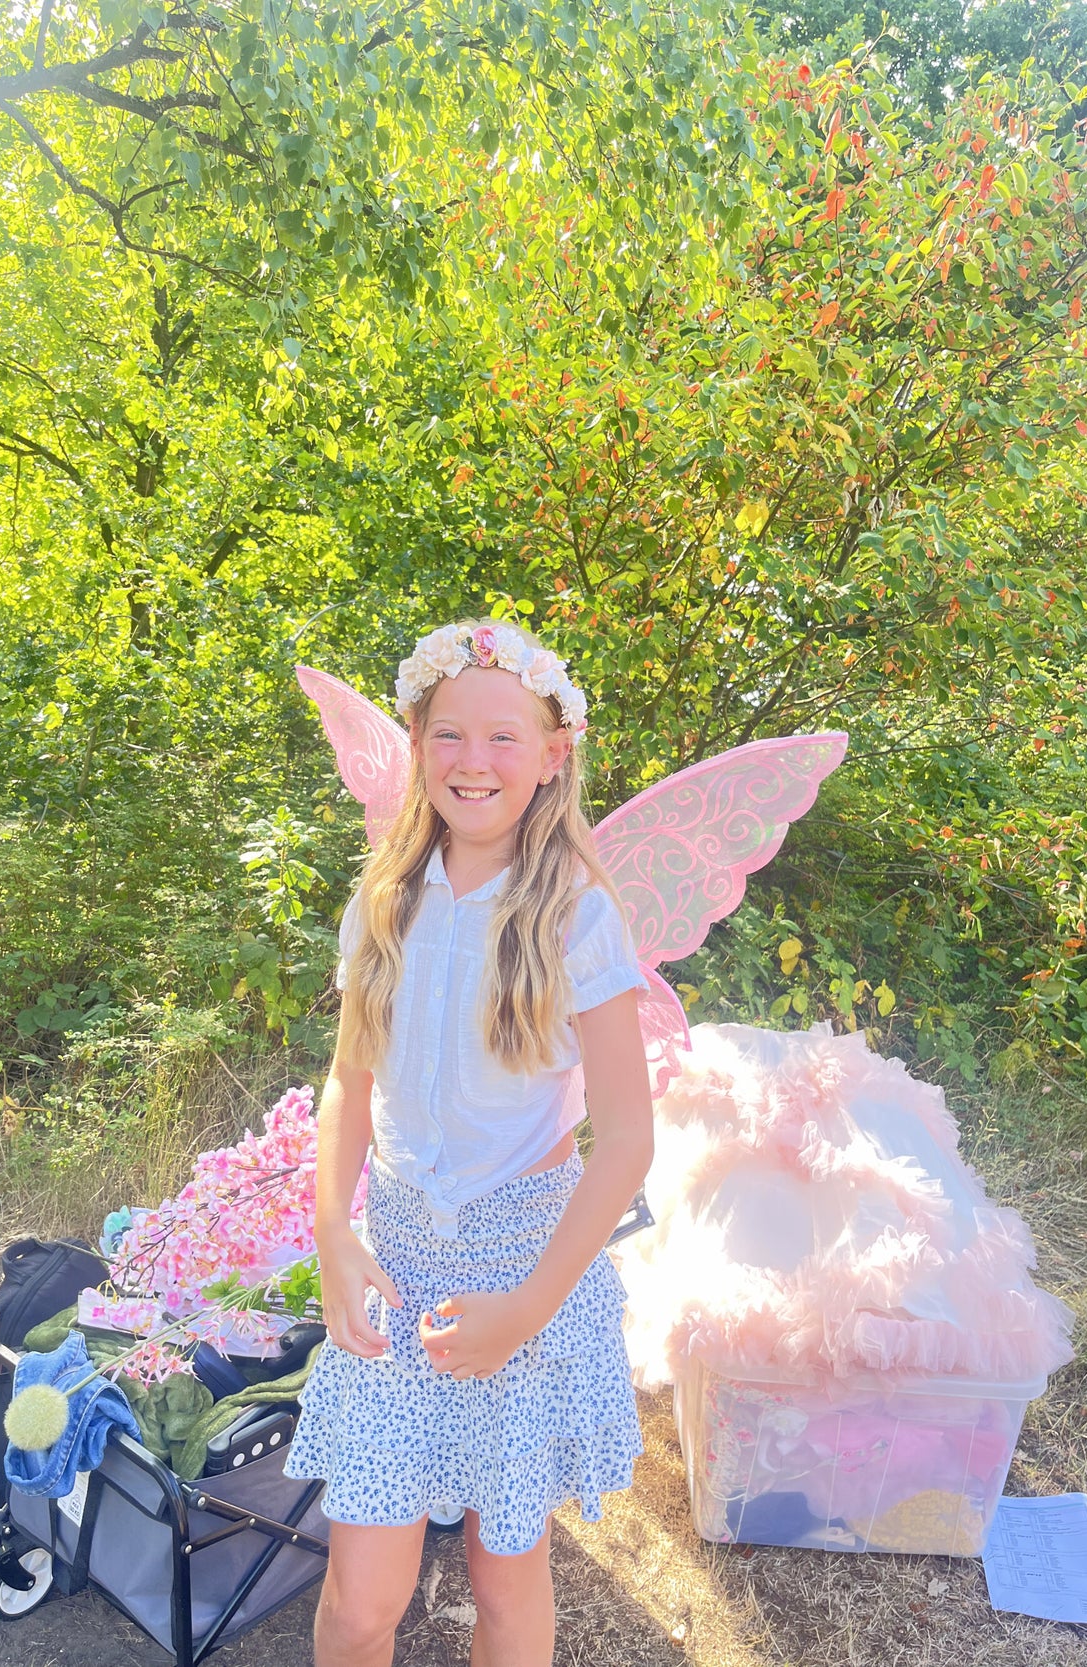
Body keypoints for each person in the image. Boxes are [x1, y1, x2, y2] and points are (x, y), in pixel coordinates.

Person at [283, 618, 654, 1667]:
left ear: (553, 754)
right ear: (416, 743)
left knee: (505, 1576)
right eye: (449, 733)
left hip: (522, 1267)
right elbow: (349, 1082)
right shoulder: (383, 901)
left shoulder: (577, 917)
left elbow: (626, 1139)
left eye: (504, 736)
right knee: (362, 1600)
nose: (473, 759)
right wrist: (334, 1232)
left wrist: (527, 1307)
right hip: (398, 1268)